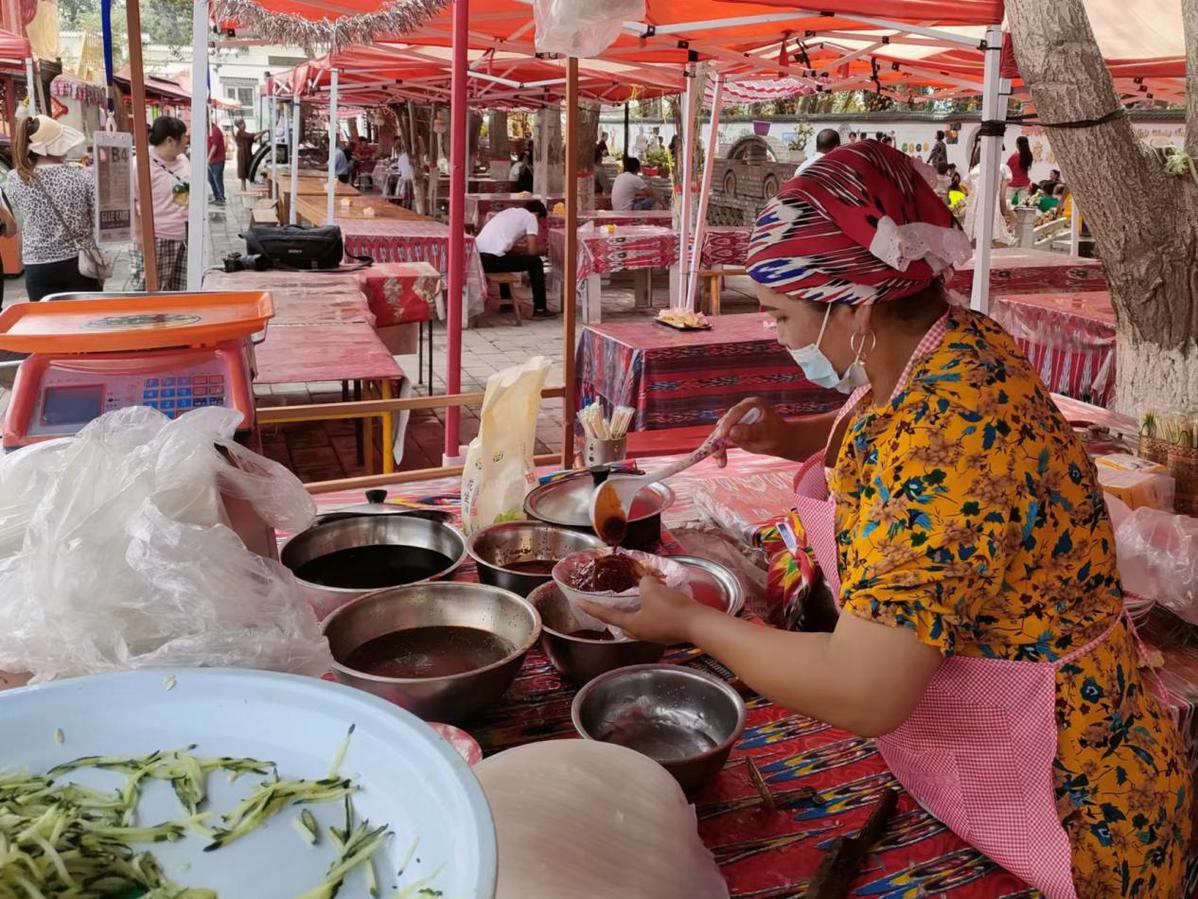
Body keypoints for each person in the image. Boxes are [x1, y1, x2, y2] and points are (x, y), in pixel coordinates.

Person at [580, 140, 1192, 899]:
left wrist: (690, 623)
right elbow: (885, 422)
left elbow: (868, 689)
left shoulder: (951, 430)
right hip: (991, 728)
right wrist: (791, 435)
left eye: (780, 316)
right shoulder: (951, 343)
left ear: (857, 308)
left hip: (1073, 783)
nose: (775, 334)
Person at [2, 114, 98, 301]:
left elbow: (13, 225)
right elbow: (97, 218)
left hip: (37, 267)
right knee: (84, 323)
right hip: (80, 263)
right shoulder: (81, 175)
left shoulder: (15, 178)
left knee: (48, 324)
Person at [131, 116, 190, 292]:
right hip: (156, 238)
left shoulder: (183, 160)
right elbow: (131, 200)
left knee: (179, 293)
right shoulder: (141, 164)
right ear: (170, 140)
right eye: (184, 135)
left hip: (183, 237)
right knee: (150, 293)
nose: (187, 139)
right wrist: (140, 235)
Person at [476, 200, 551, 318]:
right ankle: (540, 308)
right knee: (536, 262)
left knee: (506, 257)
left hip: (478, 258)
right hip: (492, 260)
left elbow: (506, 247)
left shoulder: (508, 213)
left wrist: (522, 250)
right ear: (537, 214)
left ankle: (507, 303)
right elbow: (532, 252)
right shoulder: (531, 217)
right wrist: (543, 250)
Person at [233, 119, 263, 192]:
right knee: (243, 169)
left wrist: (262, 133)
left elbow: (253, 139)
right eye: (243, 123)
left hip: (247, 153)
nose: (244, 125)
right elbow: (251, 135)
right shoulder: (240, 133)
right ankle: (243, 187)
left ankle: (244, 186)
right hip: (242, 154)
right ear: (239, 125)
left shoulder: (243, 133)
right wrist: (261, 131)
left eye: (244, 123)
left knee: (248, 168)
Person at [1007, 135, 1033, 203]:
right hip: (1024, 183)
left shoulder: (1014, 156)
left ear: (1018, 145)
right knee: (1022, 204)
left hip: (1012, 184)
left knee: (1007, 204)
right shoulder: (1029, 156)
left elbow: (1007, 168)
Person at [206, 118, 226, 206]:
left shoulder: (215, 131)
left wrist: (208, 159)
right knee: (211, 179)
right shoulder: (210, 131)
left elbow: (214, 146)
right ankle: (217, 197)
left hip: (217, 160)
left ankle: (221, 197)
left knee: (217, 179)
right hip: (212, 161)